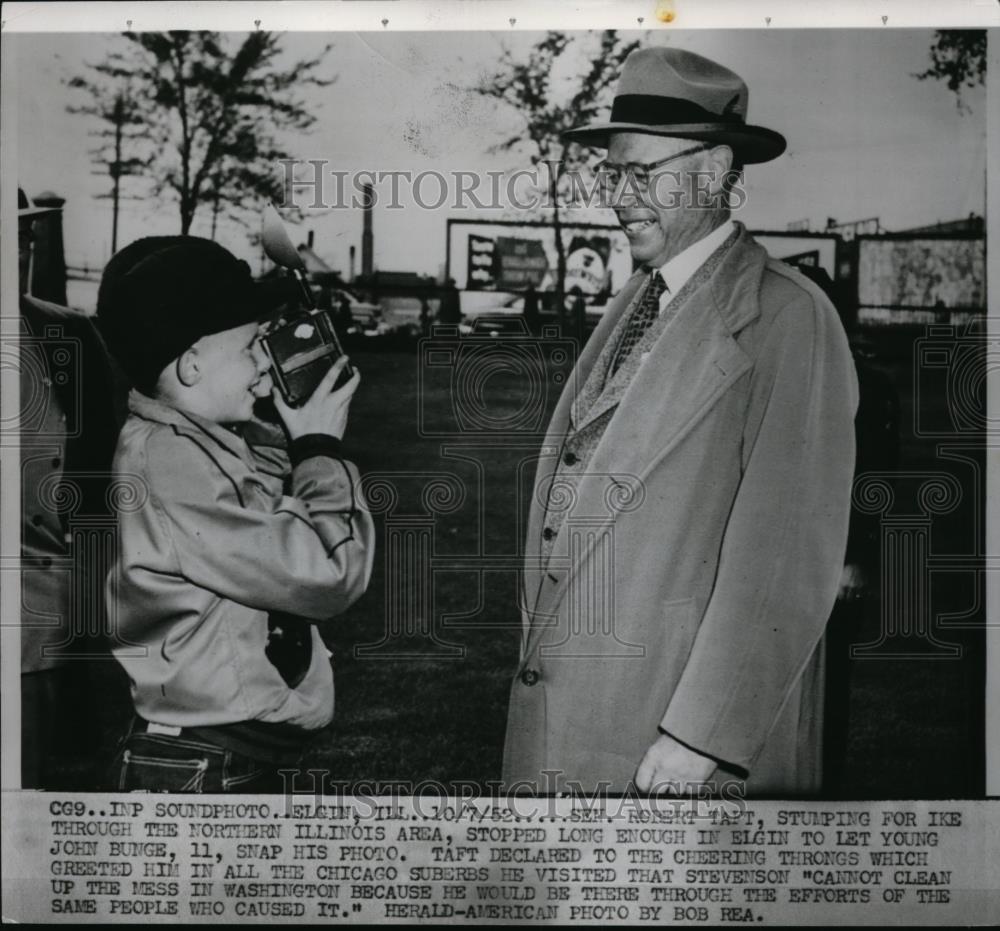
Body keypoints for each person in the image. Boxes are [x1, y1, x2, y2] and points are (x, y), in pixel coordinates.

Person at [502, 47, 858, 796]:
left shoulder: (789, 318)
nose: (620, 196)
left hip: (673, 742)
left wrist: (703, 733)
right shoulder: (633, 303)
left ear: (716, 170)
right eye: (613, 172)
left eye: (644, 173)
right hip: (583, 719)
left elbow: (789, 551)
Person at [96, 236, 375, 793]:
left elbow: (268, 496)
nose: (266, 366)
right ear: (192, 365)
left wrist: (289, 427)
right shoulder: (169, 459)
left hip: (221, 754)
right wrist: (319, 448)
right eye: (252, 347)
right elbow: (327, 573)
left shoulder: (200, 443)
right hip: (205, 765)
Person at [18, 188, 120, 790]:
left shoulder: (68, 334)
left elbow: (101, 472)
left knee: (25, 782)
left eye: (23, 235)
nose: (17, 249)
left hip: (40, 596)